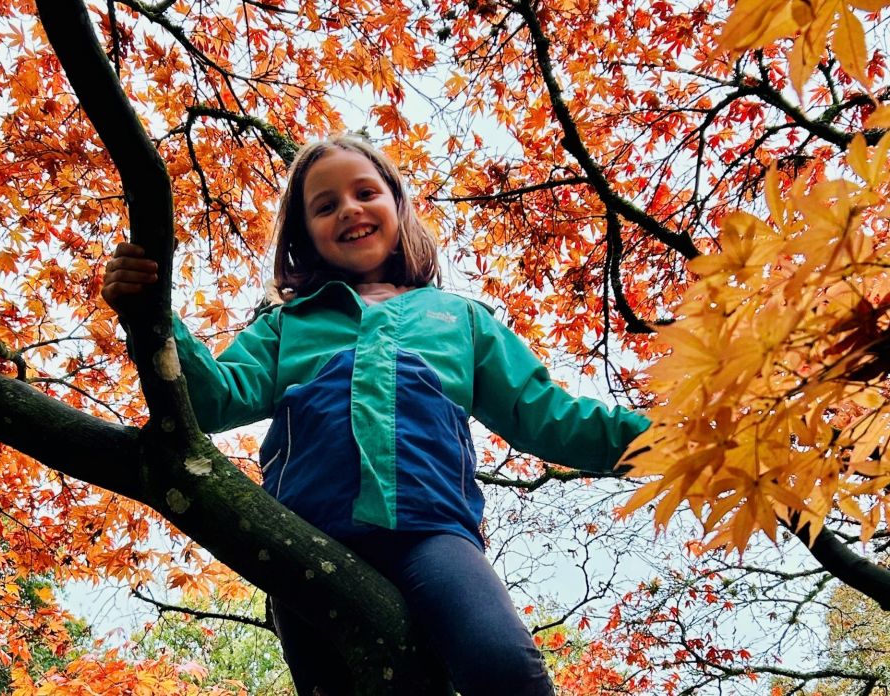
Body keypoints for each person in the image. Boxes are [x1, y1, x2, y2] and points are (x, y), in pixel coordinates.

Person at [102, 135, 650, 696]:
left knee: (504, 667)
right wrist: (151, 311)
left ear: (398, 206)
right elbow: (212, 398)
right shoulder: (288, 324)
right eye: (325, 205)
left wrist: (668, 440)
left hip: (432, 536)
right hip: (303, 543)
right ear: (304, 237)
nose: (350, 209)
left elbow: (549, 416)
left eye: (366, 192)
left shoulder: (457, 319)